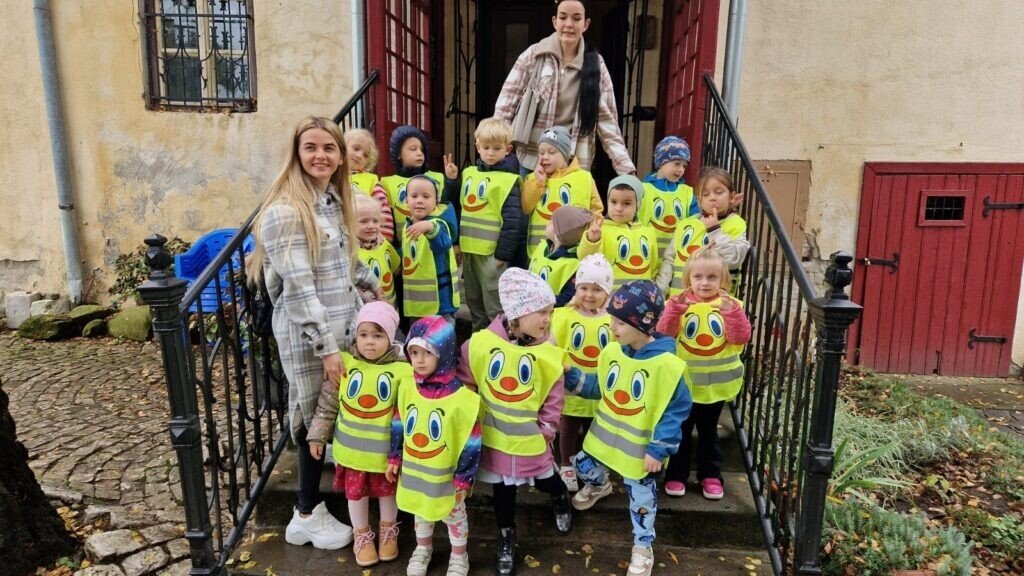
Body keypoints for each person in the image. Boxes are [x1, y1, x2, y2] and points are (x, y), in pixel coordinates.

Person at [247, 116, 359, 550]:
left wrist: (372, 292)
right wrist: (327, 347)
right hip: (309, 334)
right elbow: (298, 289)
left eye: (329, 148)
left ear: (341, 156)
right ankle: (308, 512)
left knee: (327, 413)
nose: (320, 155)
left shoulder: (332, 201)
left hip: (342, 324)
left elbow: (342, 265)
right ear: (296, 154)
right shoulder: (285, 212)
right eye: (310, 147)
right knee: (309, 415)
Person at [563, 280, 693, 576]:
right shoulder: (612, 352)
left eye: (620, 322)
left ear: (643, 325)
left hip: (640, 452)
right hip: (604, 441)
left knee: (642, 500)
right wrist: (571, 374)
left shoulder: (667, 365)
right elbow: (599, 386)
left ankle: (643, 546)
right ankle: (600, 485)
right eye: (612, 319)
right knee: (581, 465)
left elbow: (676, 410)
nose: (612, 327)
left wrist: (659, 449)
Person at [457, 268, 572, 576]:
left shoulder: (547, 352)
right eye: (542, 312)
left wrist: (548, 428)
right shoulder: (481, 344)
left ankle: (560, 496)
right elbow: (467, 380)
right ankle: (506, 536)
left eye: (550, 312)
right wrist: (471, 419)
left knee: (545, 480)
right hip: (495, 439)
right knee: (502, 492)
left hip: (530, 439)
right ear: (519, 313)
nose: (547, 319)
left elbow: (554, 396)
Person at [306, 301, 409, 567]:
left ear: (390, 337)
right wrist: (317, 434)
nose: (369, 342)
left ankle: (388, 530)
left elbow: (406, 413)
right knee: (356, 494)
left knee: (388, 493)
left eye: (378, 335)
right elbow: (328, 402)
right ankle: (361, 535)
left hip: (385, 456)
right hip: (352, 454)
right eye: (363, 335)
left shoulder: (403, 371)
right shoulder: (345, 364)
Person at [494, 0, 636, 176]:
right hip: (533, 160)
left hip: (573, 165)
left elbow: (608, 123)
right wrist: (494, 150)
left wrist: (627, 171)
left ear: (586, 24)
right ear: (555, 22)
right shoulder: (534, 55)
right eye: (563, 17)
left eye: (576, 18)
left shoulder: (596, 64)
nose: (569, 24)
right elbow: (506, 104)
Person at [389, 316, 481, 576]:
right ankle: (423, 548)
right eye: (414, 352)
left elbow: (472, 440)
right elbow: (399, 423)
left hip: (448, 477)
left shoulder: (463, 399)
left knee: (455, 515)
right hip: (416, 471)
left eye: (427, 352)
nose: (419, 360)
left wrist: (464, 476)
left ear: (445, 351)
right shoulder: (407, 388)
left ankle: (459, 556)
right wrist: (394, 457)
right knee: (421, 511)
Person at [657, 247, 751, 500]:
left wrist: (732, 314)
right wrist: (674, 310)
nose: (705, 282)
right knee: (681, 431)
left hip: (715, 388)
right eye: (698, 277)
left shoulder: (732, 305)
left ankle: (711, 475)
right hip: (683, 387)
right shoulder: (677, 304)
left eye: (712, 277)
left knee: (709, 433)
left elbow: (740, 337)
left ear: (723, 280)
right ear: (688, 278)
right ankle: (676, 474)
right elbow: (664, 335)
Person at [442, 117, 523, 330]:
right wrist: (452, 181)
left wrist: (503, 255)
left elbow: (513, 222)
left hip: (491, 256)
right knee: (473, 300)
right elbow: (454, 208)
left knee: (494, 304)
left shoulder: (508, 181)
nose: (490, 153)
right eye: (486, 147)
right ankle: (478, 339)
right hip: (469, 252)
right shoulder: (468, 174)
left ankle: (500, 340)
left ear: (508, 149)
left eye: (496, 148)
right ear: (477, 146)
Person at [550, 254, 614, 491]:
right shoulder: (563, 316)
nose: (589, 295)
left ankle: (592, 465)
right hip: (570, 385)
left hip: (599, 386)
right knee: (568, 427)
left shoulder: (612, 320)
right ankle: (566, 465)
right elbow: (552, 344)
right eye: (584, 288)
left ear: (607, 292)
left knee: (594, 429)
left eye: (597, 289)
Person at [656, 167, 750, 297]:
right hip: (679, 302)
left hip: (715, 304)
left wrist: (714, 231)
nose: (712, 198)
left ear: (732, 197)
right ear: (699, 200)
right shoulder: (686, 224)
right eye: (706, 194)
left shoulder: (735, 224)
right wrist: (660, 291)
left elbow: (734, 259)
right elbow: (669, 259)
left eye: (719, 192)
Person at [521, 126, 602, 254]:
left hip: (573, 250)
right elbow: (526, 207)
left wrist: (590, 238)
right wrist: (539, 183)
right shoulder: (533, 178)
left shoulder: (584, 177)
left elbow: (596, 211)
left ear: (565, 154)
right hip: (539, 251)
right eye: (541, 153)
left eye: (552, 152)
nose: (545, 157)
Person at [579, 175, 660, 290]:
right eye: (613, 202)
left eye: (626, 203)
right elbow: (585, 260)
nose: (618, 208)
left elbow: (653, 268)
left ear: (638, 205)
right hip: (611, 298)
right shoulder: (599, 230)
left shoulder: (648, 233)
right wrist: (591, 241)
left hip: (642, 297)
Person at [401, 176, 459, 324]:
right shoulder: (407, 225)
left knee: (443, 336)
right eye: (414, 196)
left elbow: (443, 243)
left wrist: (430, 227)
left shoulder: (439, 223)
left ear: (435, 202)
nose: (419, 200)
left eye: (426, 197)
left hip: (441, 302)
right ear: (406, 200)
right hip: (416, 304)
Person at [378, 125, 448, 234]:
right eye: (413, 149)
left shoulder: (437, 178)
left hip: (431, 242)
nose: (419, 153)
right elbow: (387, 220)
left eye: (422, 149)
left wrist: (451, 181)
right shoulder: (388, 184)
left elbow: (447, 212)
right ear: (398, 154)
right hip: (404, 243)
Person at [638, 136, 699, 256]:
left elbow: (696, 221)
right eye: (677, 164)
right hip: (645, 256)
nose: (681, 169)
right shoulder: (642, 189)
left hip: (675, 258)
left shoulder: (687, 193)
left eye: (684, 166)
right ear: (661, 163)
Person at [528, 205, 593, 307]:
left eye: (551, 223)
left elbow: (568, 296)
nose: (547, 223)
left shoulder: (572, 264)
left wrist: (543, 305)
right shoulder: (543, 247)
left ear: (558, 235)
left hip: (551, 311)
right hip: (531, 306)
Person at [345, 128, 395, 242]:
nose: (359, 155)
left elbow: (383, 209)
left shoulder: (370, 181)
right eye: (356, 148)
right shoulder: (331, 176)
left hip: (365, 241)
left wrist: (384, 238)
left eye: (365, 155)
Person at [354, 194, 399, 305]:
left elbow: (397, 269)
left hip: (391, 306)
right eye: (364, 221)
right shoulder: (351, 252)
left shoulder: (384, 243)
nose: (371, 226)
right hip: (368, 311)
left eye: (375, 221)